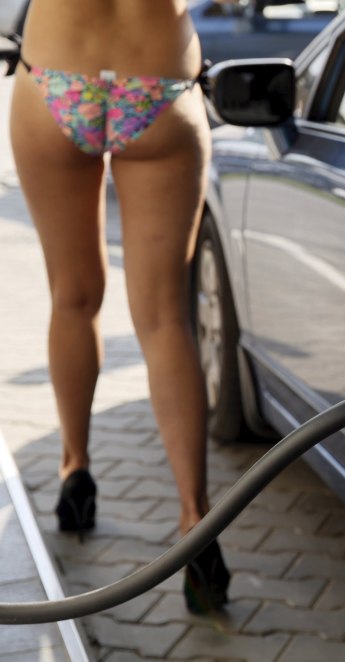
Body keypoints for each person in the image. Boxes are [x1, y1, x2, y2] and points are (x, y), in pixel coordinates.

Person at [9, 0, 230, 613]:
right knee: (163, 318)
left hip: (57, 75)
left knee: (72, 298)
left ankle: (74, 474)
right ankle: (196, 524)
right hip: (157, 82)